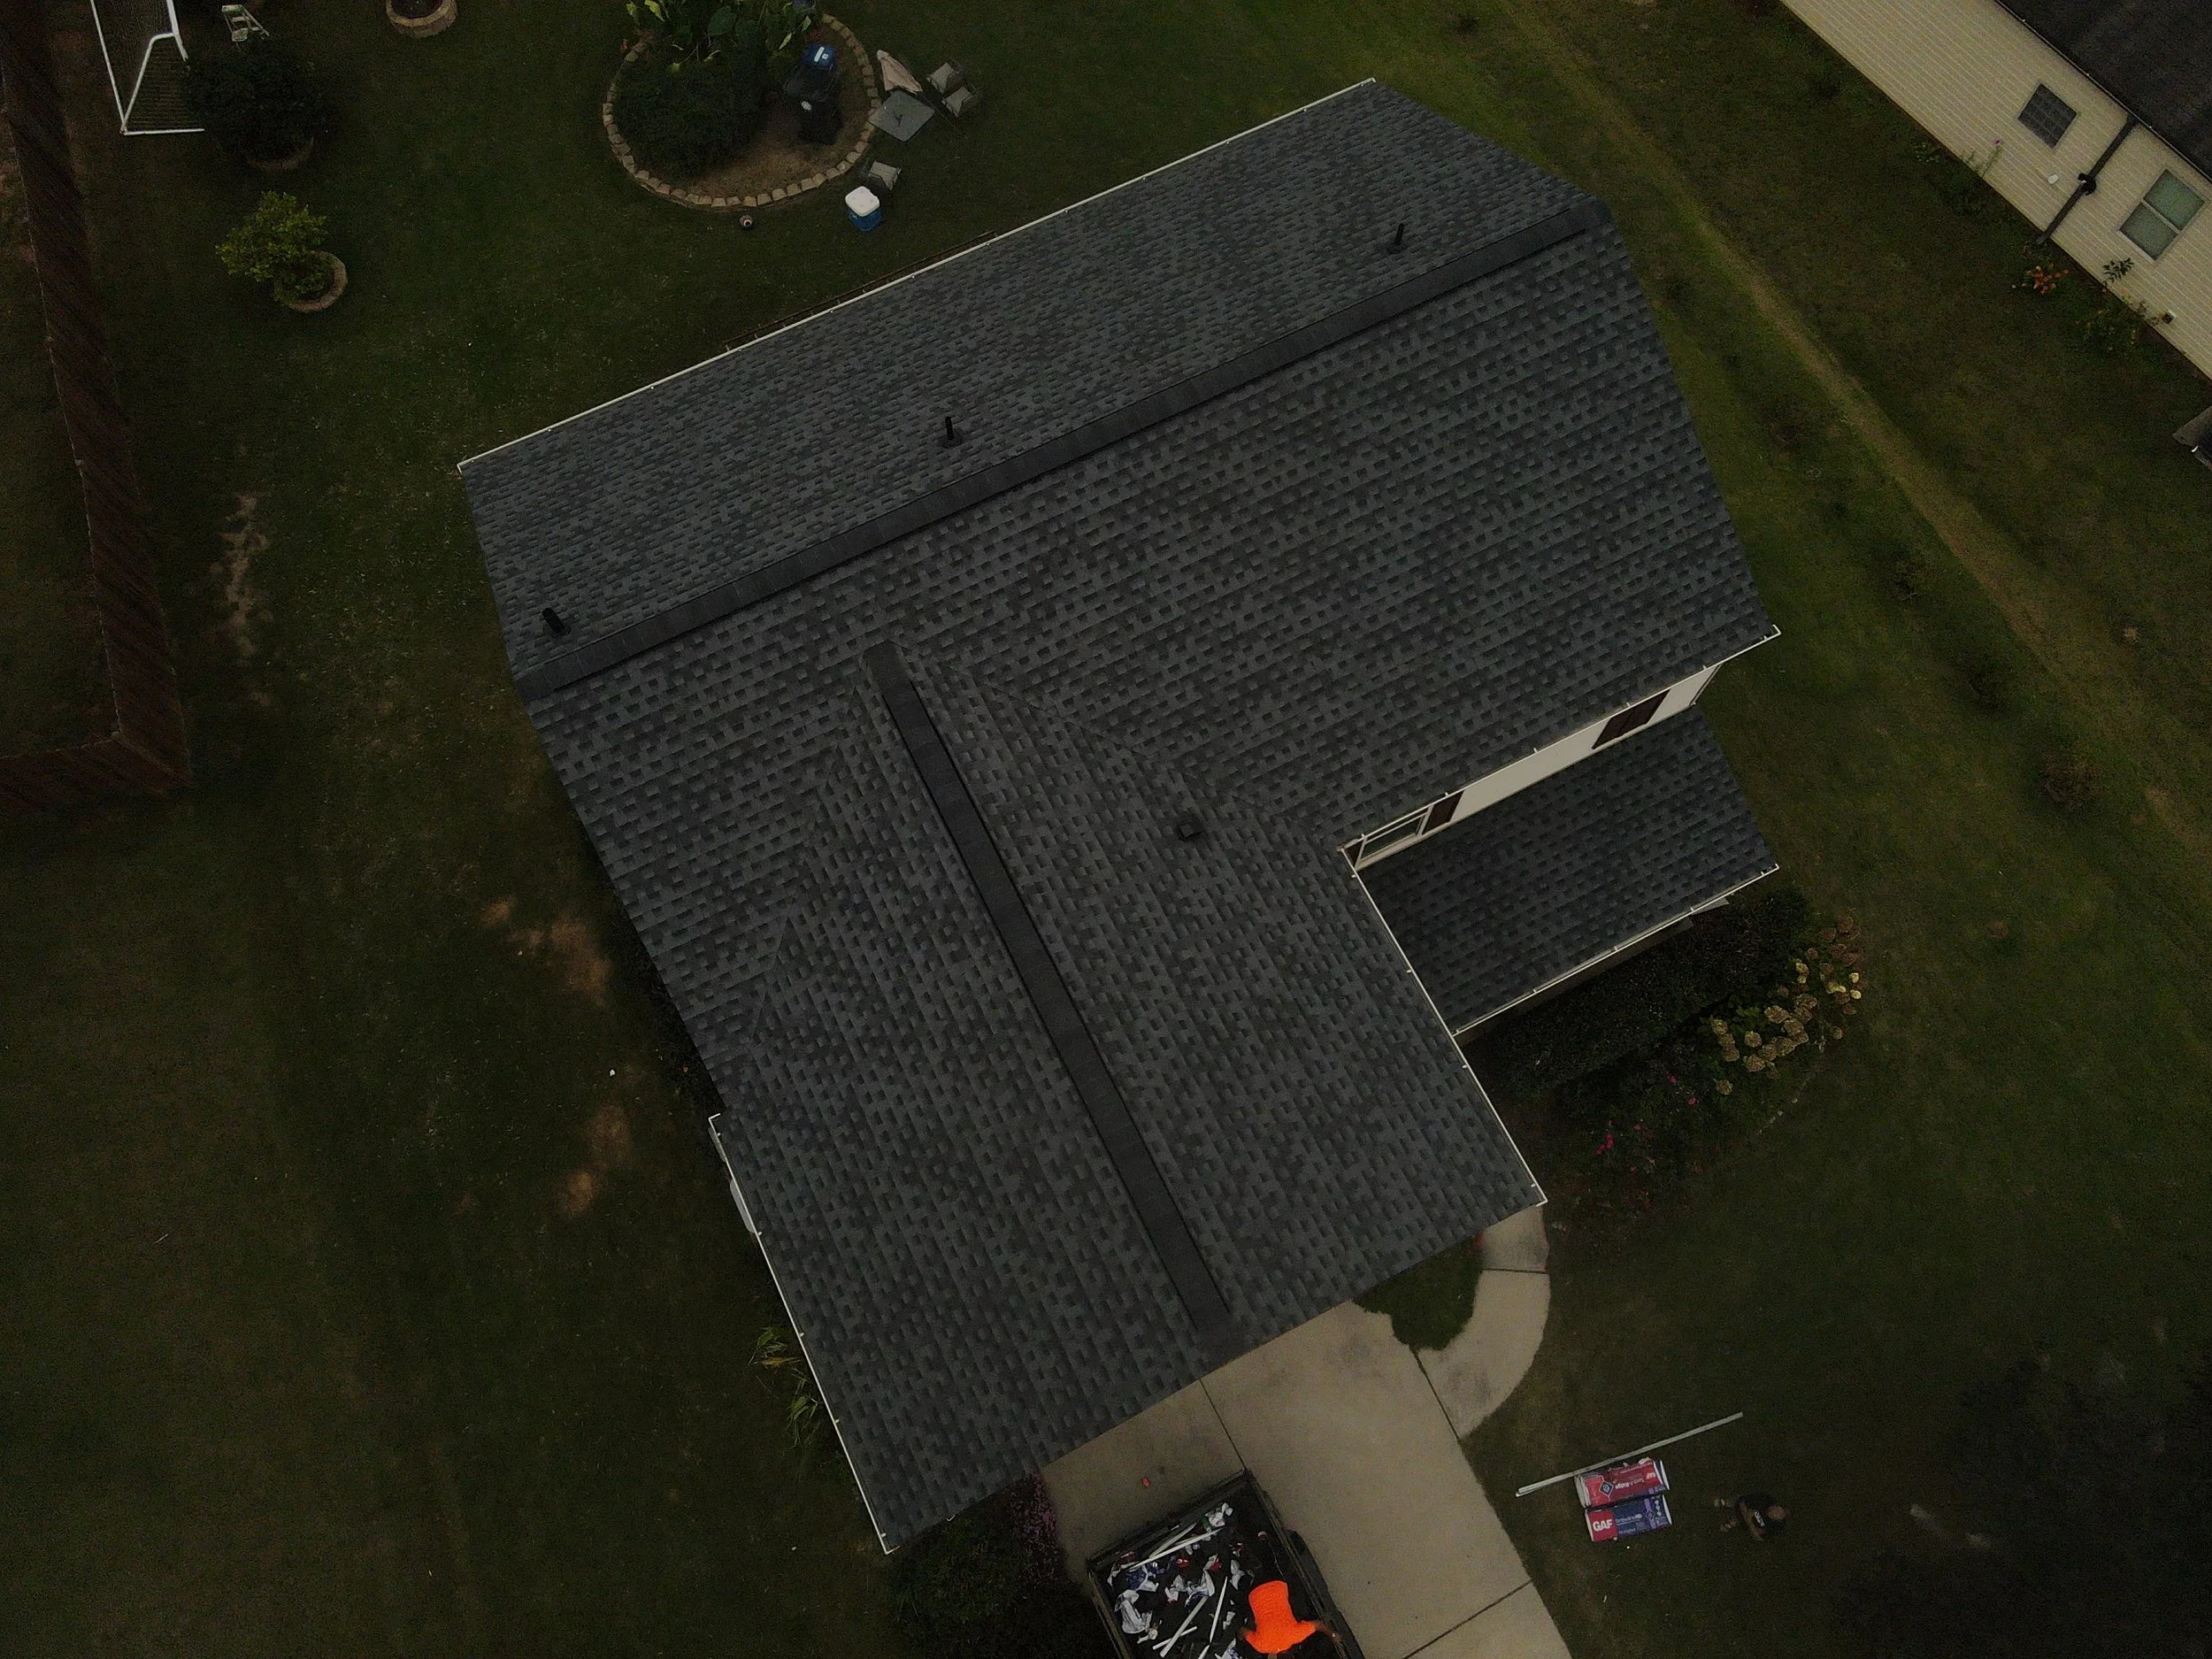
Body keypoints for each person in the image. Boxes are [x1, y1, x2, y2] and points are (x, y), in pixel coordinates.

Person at [1713, 1493, 1789, 1540]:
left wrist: (1749, 1521)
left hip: (1746, 1523)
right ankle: (1725, 1503)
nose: (1777, 1512)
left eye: (1780, 1515)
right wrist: (1746, 1513)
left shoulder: (1774, 1526)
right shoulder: (1765, 1499)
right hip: (1741, 1506)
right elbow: (1743, 1501)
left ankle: (1730, 1523)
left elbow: (1758, 1537)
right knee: (1734, 1501)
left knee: (1734, 1523)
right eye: (1779, 1509)